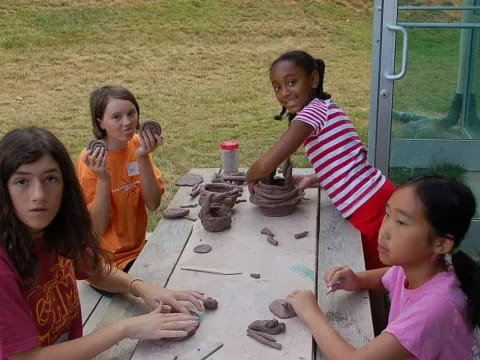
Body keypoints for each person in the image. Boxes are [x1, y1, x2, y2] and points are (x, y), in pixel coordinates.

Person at [0, 127, 204, 359]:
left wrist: (143, 288)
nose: (38, 194)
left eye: (50, 178)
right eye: (21, 182)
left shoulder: (51, 231)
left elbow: (94, 271)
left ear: (65, 184)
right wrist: (125, 328)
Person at [284, 175, 480, 359]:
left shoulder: (435, 306)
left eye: (401, 222)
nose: (384, 230)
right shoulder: (421, 268)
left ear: (441, 244)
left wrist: (309, 312)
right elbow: (390, 276)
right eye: (387, 214)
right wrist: (358, 279)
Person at [246, 50, 395, 269]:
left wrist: (247, 177)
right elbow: (347, 159)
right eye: (277, 87)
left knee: (377, 279)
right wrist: (313, 179)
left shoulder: (311, 115)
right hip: (377, 196)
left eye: (292, 82)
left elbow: (269, 162)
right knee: (385, 275)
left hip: (369, 206)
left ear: (313, 79)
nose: (284, 93)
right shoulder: (326, 107)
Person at [76, 85, 164, 272]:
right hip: (106, 262)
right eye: (117, 117)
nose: (127, 122)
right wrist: (103, 178)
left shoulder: (139, 144)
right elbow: (98, 227)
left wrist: (142, 157)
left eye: (131, 113)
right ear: (101, 123)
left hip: (139, 250)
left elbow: (153, 203)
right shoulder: (91, 160)